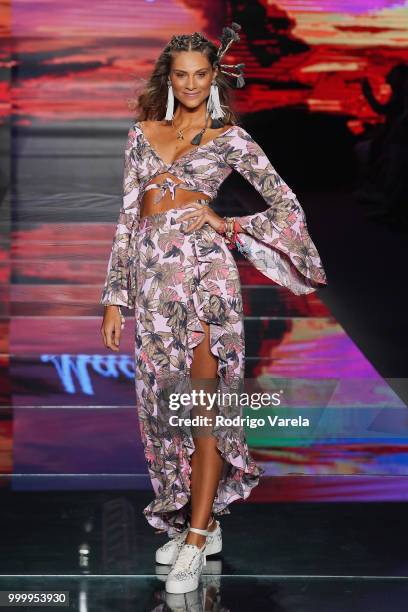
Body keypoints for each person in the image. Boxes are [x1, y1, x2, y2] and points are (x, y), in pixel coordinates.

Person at [100, 23, 327, 594]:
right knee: (165, 412)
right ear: (169, 78)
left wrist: (229, 225)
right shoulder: (141, 135)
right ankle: (200, 520)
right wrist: (114, 299)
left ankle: (196, 539)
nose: (193, 83)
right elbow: (129, 222)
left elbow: (286, 204)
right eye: (183, 75)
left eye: (202, 74)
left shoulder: (232, 139)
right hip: (153, 288)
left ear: (215, 76)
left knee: (204, 410)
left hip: (204, 282)